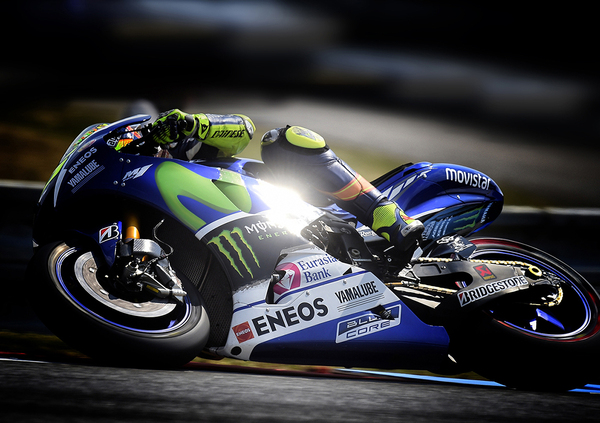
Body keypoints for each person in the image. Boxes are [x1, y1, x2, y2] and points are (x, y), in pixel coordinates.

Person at [148, 109, 424, 253]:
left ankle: (389, 217)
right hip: (248, 247)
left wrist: (190, 124)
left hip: (293, 205)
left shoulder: (185, 151)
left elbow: (244, 128)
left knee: (282, 139)